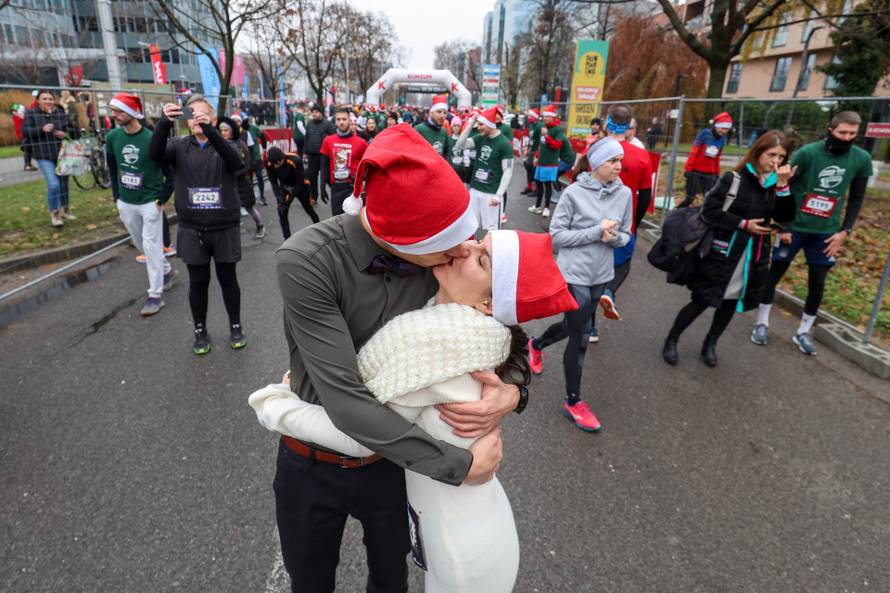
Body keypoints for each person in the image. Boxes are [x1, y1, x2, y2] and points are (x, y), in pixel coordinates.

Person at [271, 124, 525, 593]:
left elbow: (506, 324)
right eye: (450, 244)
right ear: (408, 241)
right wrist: (459, 465)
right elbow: (345, 401)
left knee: (392, 580)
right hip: (311, 463)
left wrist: (512, 391)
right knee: (308, 581)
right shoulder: (306, 260)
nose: (465, 249)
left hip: (394, 466)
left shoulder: (443, 258)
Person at [250, 229, 575, 593]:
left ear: (488, 303)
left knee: (388, 578)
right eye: (479, 242)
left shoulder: (441, 343)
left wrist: (275, 404)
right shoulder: (453, 312)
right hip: (460, 516)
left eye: (481, 258)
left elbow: (359, 431)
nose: (464, 246)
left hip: (459, 543)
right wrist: (514, 393)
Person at [663, 131, 797, 367]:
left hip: (751, 257)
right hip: (722, 253)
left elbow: (786, 216)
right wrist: (743, 224)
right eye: (771, 154)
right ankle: (672, 339)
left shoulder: (776, 184)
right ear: (758, 153)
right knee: (702, 299)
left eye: (781, 157)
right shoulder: (734, 178)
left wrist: (784, 185)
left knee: (729, 303)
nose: (776, 161)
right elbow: (709, 211)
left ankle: (710, 343)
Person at [527, 138, 633, 433]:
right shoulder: (573, 193)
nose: (619, 166)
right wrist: (595, 232)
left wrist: (615, 239)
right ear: (597, 162)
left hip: (602, 273)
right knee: (582, 333)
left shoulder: (624, 193)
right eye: (613, 161)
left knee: (575, 324)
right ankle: (573, 402)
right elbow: (556, 236)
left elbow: (626, 234)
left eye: (620, 160)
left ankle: (535, 344)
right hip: (573, 273)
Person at [752, 111, 873, 356]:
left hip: (826, 234)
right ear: (831, 129)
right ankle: (761, 323)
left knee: (817, 283)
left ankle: (803, 332)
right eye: (842, 133)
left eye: (852, 134)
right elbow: (784, 184)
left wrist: (844, 232)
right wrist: (784, 226)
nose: (847, 138)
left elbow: (857, 198)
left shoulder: (861, 159)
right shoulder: (808, 153)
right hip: (795, 227)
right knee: (775, 273)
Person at [149, 95, 247, 355]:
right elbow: (154, 153)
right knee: (198, 282)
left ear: (213, 120)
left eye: (202, 115)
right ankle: (200, 330)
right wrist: (162, 123)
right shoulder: (179, 146)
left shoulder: (226, 145)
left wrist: (212, 132)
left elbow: (236, 163)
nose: (196, 120)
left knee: (228, 280)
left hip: (224, 227)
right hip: (192, 228)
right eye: (191, 115)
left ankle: (235, 326)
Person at [574, 104, 653, 341]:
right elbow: (646, 194)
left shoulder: (596, 148)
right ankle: (610, 291)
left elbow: (579, 178)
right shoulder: (641, 155)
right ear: (629, 126)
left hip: (592, 220)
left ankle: (591, 327)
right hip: (622, 223)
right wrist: (632, 224)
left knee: (589, 276)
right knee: (620, 267)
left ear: (607, 123)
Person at [105, 93, 177, 316]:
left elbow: (170, 175)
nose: (114, 115)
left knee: (151, 245)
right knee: (141, 244)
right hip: (126, 202)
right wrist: (117, 197)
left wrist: (159, 200)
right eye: (113, 111)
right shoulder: (113, 137)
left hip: (149, 202)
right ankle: (166, 271)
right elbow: (113, 167)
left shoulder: (151, 139)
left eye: (119, 111)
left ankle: (155, 295)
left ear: (132, 112)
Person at [22, 89, 80, 228]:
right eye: (45, 99)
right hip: (43, 155)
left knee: (64, 185)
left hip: (62, 155)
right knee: (54, 184)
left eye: (50, 99)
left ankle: (65, 210)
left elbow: (76, 132)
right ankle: (55, 214)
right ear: (38, 101)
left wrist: (65, 134)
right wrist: (41, 129)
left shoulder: (60, 113)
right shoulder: (32, 114)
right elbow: (25, 132)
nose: (48, 101)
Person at [453, 108, 514, 231]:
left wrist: (498, 195)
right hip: (475, 190)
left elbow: (508, 170)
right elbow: (459, 144)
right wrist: (471, 122)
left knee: (492, 231)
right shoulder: (480, 138)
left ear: (490, 124)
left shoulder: (504, 143)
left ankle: (491, 250)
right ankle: (472, 249)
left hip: (491, 193)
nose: (478, 127)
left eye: (481, 124)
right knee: (470, 227)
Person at [218, 117, 265, 239]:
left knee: (249, 207)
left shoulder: (240, 145)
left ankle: (260, 225)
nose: (223, 133)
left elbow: (247, 165)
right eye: (221, 130)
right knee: (229, 208)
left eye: (226, 130)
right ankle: (230, 233)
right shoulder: (220, 145)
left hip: (242, 182)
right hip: (228, 183)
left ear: (232, 131)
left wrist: (233, 174)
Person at [319, 107, 368, 216]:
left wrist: (364, 184)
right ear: (335, 121)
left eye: (344, 119)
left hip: (353, 188)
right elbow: (324, 166)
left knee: (353, 222)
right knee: (337, 221)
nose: (341, 122)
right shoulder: (328, 140)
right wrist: (322, 187)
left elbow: (367, 168)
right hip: (336, 187)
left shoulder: (361, 143)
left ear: (350, 121)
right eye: (339, 119)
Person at [683, 111, 733, 207]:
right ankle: (677, 213)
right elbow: (694, 152)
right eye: (722, 128)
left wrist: (717, 173)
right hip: (695, 171)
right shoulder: (705, 133)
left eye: (727, 129)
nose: (724, 131)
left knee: (708, 197)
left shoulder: (722, 139)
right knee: (690, 198)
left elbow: (717, 158)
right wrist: (688, 169)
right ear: (716, 125)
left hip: (709, 173)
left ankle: (701, 217)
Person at [266, 146, 316, 237]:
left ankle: (318, 225)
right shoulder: (269, 163)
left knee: (308, 209)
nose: (276, 166)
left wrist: (289, 200)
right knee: (281, 212)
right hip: (285, 187)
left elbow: (299, 183)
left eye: (278, 163)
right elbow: (273, 182)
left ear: (282, 159)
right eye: (274, 165)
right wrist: (279, 198)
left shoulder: (295, 159)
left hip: (301, 185)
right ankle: (287, 239)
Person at [529, 105, 567, 218]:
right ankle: (537, 206)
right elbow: (541, 146)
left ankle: (546, 208)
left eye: (547, 116)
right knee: (539, 184)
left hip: (550, 163)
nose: (544, 118)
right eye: (544, 116)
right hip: (541, 162)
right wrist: (536, 157)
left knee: (547, 186)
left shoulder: (558, 129)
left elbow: (557, 145)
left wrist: (547, 135)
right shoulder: (543, 127)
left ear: (552, 117)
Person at [303, 103, 335, 202]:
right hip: (312, 155)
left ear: (321, 112)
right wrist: (304, 152)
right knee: (312, 177)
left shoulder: (328, 124)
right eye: (313, 112)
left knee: (327, 177)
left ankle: (336, 194)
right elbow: (306, 138)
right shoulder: (309, 123)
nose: (314, 114)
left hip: (324, 155)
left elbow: (334, 138)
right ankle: (314, 197)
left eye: (316, 112)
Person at [240, 115, 268, 206]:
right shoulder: (237, 131)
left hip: (256, 157)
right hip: (245, 159)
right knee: (248, 179)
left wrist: (264, 148)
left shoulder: (254, 128)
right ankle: (251, 198)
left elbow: (263, 136)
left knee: (260, 176)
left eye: (246, 120)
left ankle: (262, 197)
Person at [521, 109, 541, 196]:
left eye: (530, 116)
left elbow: (541, 141)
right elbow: (531, 139)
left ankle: (535, 189)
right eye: (528, 116)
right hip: (532, 149)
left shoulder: (539, 126)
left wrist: (537, 155)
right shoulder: (531, 125)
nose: (528, 117)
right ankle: (529, 187)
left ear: (535, 117)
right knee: (527, 166)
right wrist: (527, 148)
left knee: (534, 169)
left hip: (537, 150)